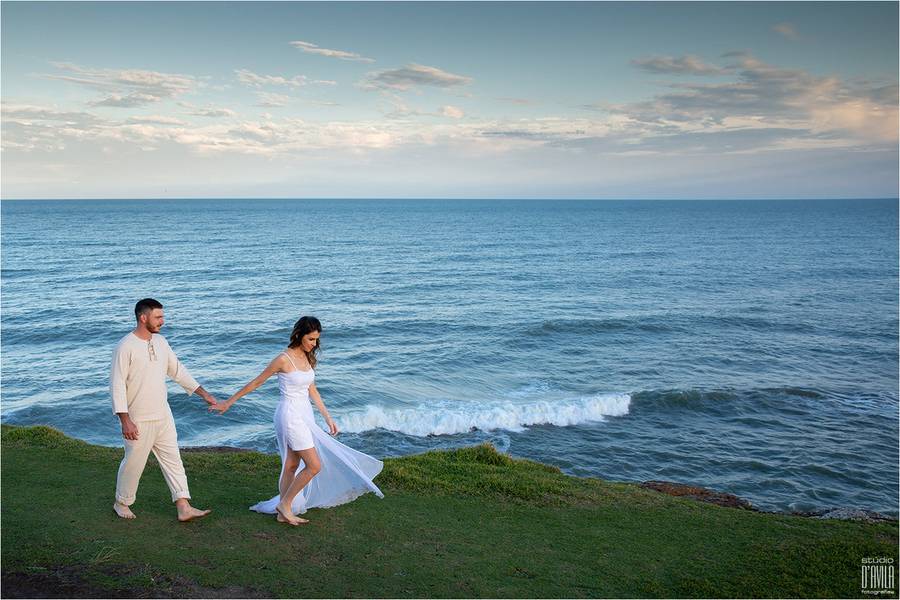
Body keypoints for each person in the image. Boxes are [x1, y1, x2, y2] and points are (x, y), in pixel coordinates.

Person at [211, 316, 384, 526]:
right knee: (314, 465)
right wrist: (228, 402)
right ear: (299, 335)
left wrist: (327, 417)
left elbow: (312, 389)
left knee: (292, 464)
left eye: (316, 340)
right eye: (311, 339)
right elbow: (256, 382)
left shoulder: (308, 357)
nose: (314, 344)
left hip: (305, 414)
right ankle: (285, 505)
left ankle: (284, 510)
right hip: (290, 415)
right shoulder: (283, 359)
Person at [111, 298, 218, 522]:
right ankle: (121, 502)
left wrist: (204, 394)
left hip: (163, 414)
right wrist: (125, 420)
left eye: (162, 316)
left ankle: (183, 506)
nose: (163, 321)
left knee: (173, 460)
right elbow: (117, 385)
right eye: (158, 317)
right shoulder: (125, 346)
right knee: (134, 463)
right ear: (143, 317)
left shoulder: (160, 342)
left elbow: (178, 371)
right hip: (138, 418)